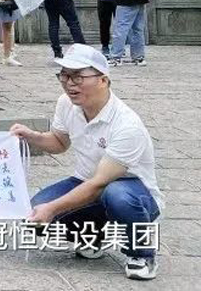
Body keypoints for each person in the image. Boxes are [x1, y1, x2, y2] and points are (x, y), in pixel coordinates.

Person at [11, 45, 162, 281]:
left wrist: (52, 209)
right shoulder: (67, 103)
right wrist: (31, 135)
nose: (70, 84)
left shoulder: (127, 125)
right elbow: (60, 142)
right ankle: (95, 237)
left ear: (103, 80)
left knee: (115, 195)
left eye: (78, 76)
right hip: (86, 183)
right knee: (35, 212)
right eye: (64, 75)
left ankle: (142, 254)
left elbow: (100, 183)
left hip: (133, 192)